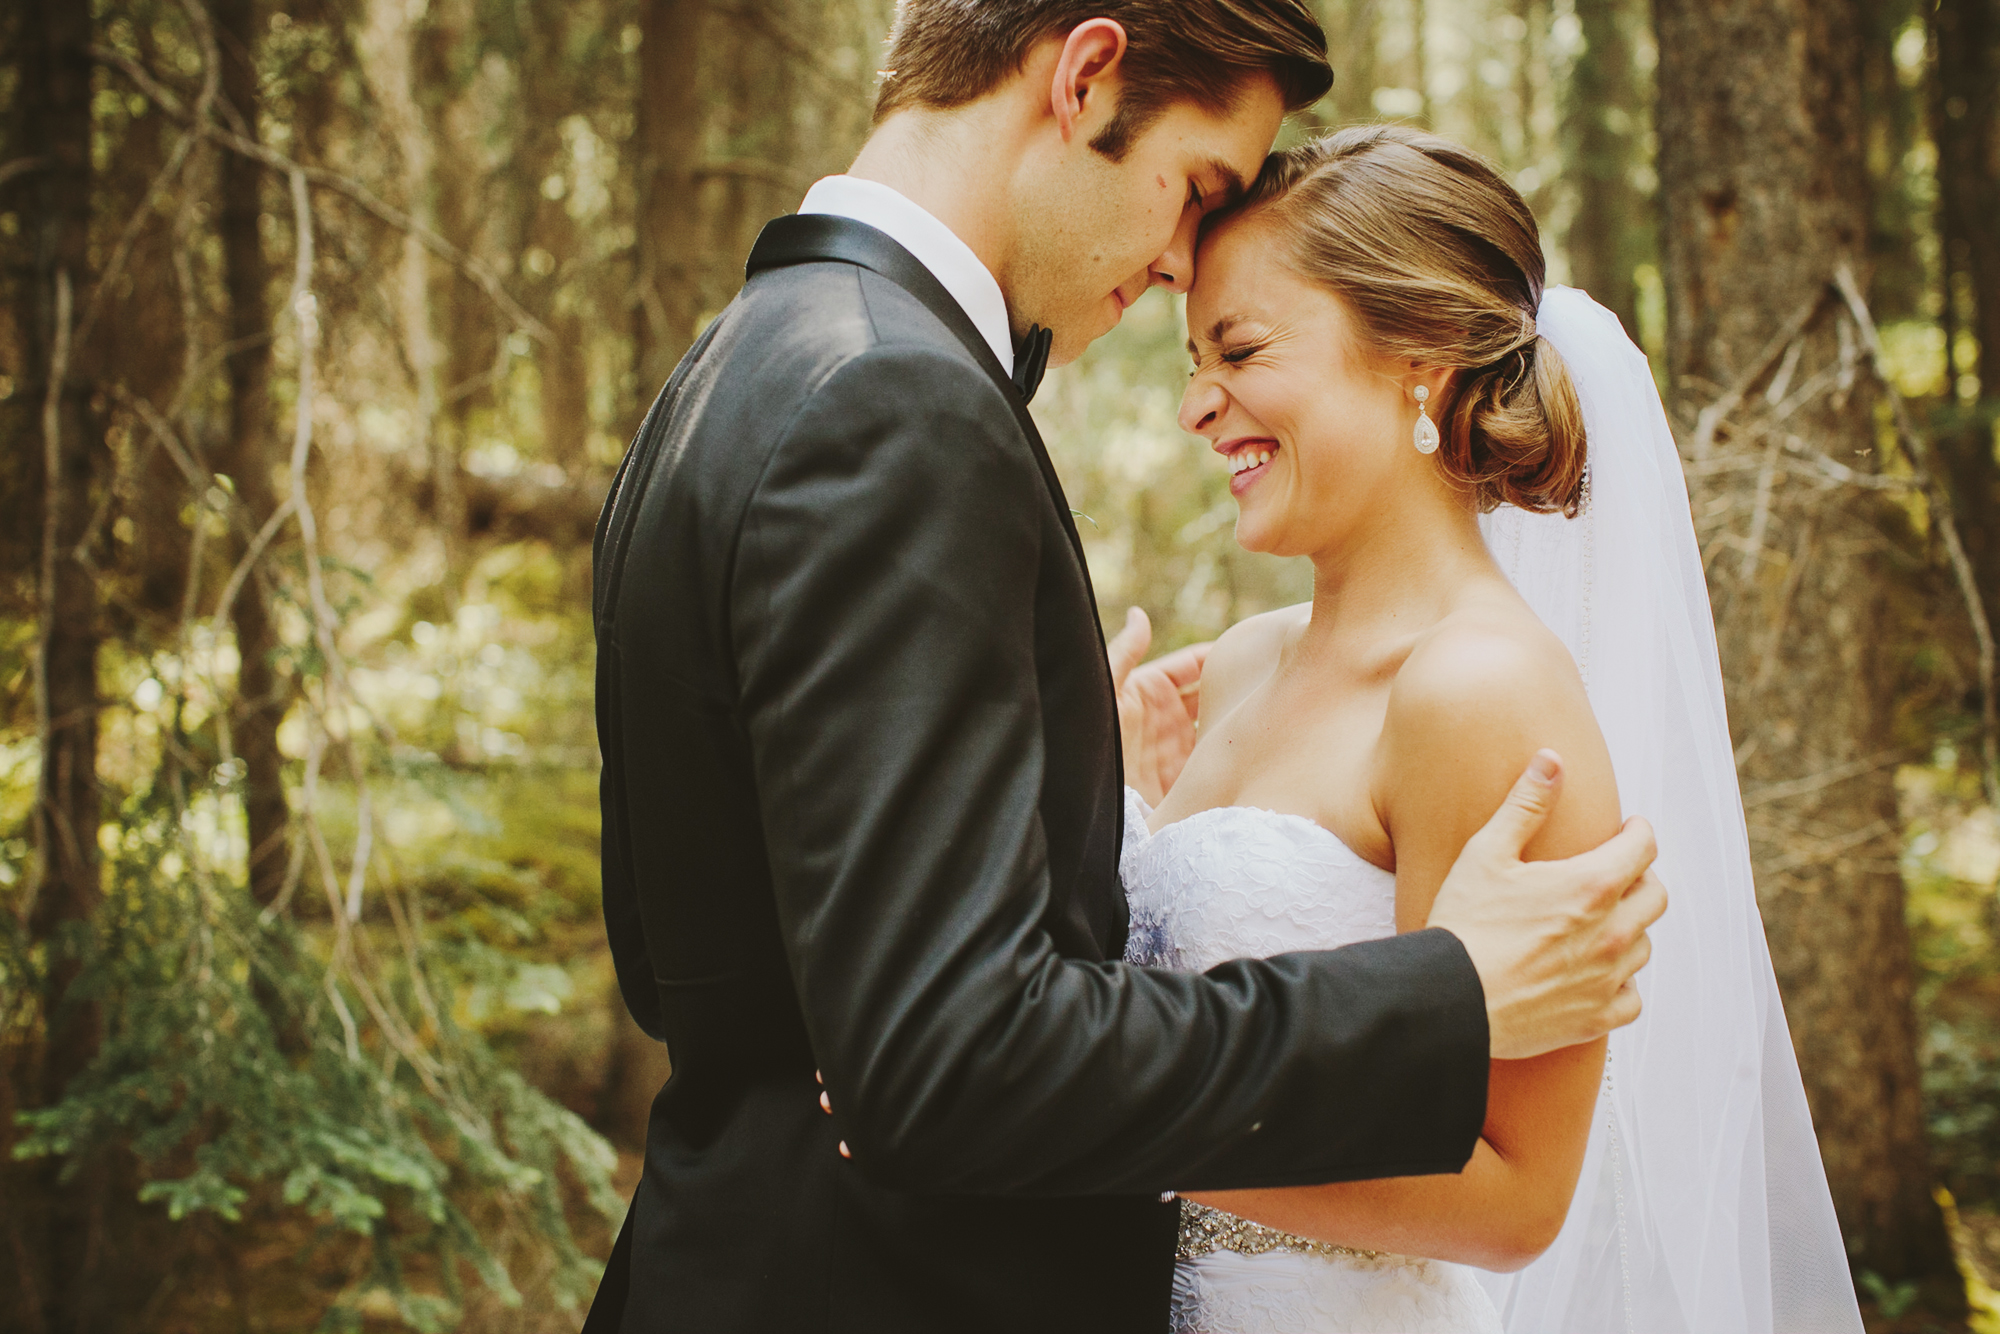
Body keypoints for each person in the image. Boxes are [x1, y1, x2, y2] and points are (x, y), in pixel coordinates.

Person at [584, 6, 1664, 1332]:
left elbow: (688, 951)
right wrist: (1441, 1000)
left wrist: (1038, 794)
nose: (1172, 263)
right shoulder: (893, 402)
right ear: (1088, 76)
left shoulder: (740, 362)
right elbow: (940, 1063)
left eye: (1242, 345)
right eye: (1195, 190)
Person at [1120, 124, 1861, 1333]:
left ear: (1418, 356)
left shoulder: (1480, 690)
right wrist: (1120, 816)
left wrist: (1078, 1129)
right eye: (1192, 357)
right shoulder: (1247, 660)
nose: (1198, 403)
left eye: (1239, 348)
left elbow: (1510, 1195)